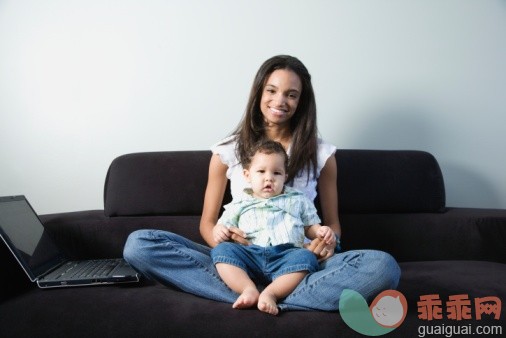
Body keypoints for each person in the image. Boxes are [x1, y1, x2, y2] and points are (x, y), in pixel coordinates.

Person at [123, 55, 400, 312]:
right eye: (272, 90)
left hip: (298, 261)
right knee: (139, 244)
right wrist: (224, 242)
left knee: (383, 266)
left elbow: (332, 224)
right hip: (240, 259)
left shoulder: (321, 155)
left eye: (292, 95)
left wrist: (328, 244)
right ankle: (255, 292)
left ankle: (271, 295)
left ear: (301, 102)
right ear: (259, 92)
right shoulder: (226, 151)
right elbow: (207, 224)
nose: (280, 101)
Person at [211, 140, 336, 315]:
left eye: (276, 173)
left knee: (307, 257)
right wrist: (219, 231)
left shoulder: (298, 199)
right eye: (261, 171)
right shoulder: (240, 202)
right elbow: (222, 226)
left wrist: (321, 231)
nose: (269, 177)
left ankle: (271, 293)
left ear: (285, 177)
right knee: (222, 250)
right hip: (250, 255)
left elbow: (311, 226)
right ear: (247, 175)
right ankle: (248, 289)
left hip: (287, 255)